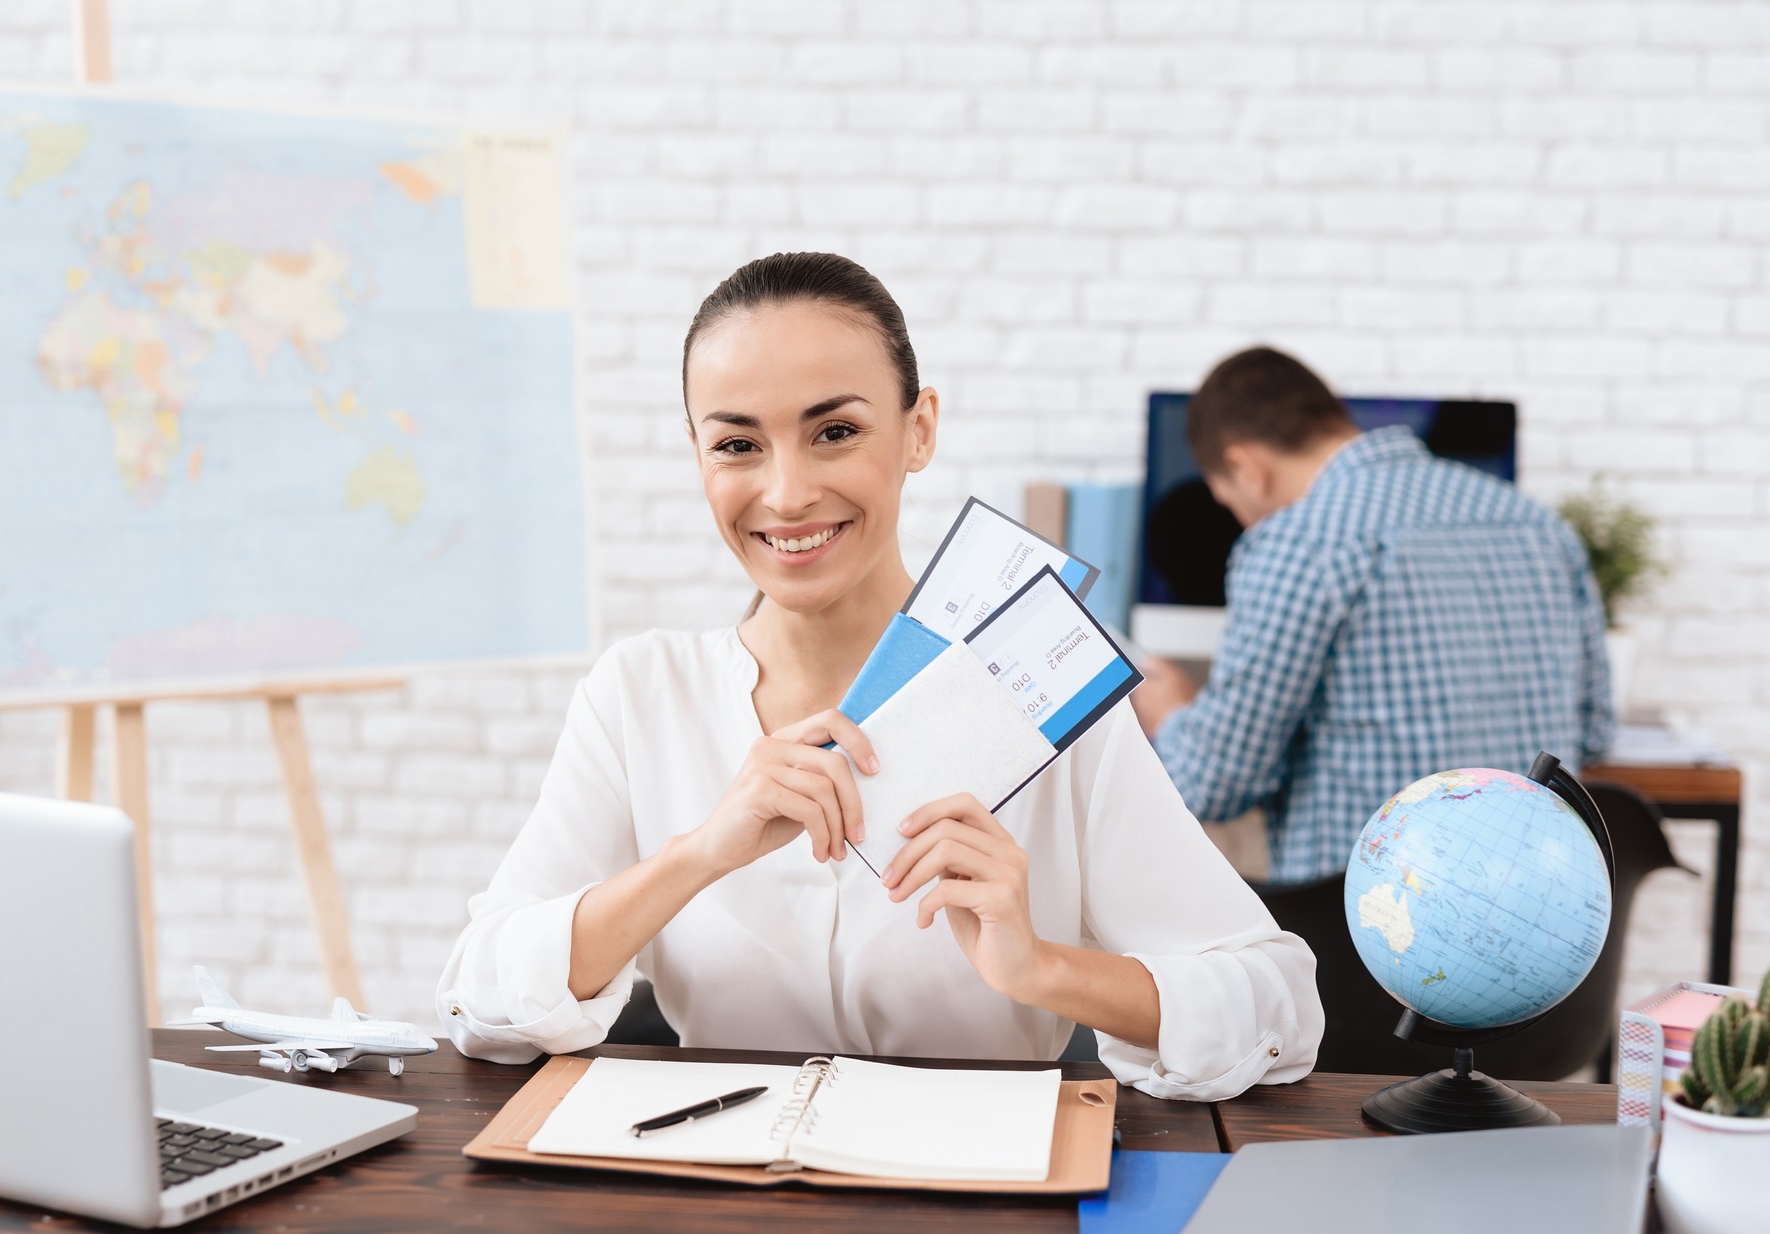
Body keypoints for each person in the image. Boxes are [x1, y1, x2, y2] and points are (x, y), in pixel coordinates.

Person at [438, 254, 1320, 1100]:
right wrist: (700, 853)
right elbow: (481, 996)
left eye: (835, 432)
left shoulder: (1042, 697)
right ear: (698, 456)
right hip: (718, 1209)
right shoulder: (639, 693)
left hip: (975, 1215)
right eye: (738, 444)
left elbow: (1276, 1003)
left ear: (919, 429)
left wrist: (1046, 967)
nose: (785, 494)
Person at [1132, 347, 1614, 884]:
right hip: (1538, 917)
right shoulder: (1539, 525)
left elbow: (1214, 782)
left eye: (1226, 501)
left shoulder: (1302, 540)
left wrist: (1170, 712)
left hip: (1372, 931)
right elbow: (1592, 733)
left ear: (1246, 469)